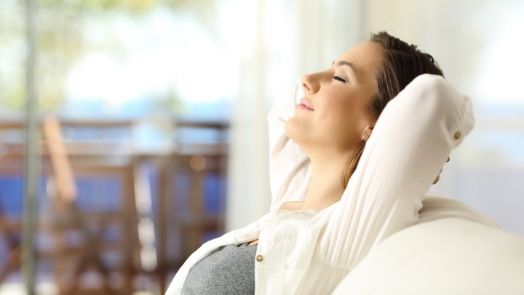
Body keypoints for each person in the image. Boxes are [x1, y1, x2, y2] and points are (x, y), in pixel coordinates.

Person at [165, 32, 495, 295]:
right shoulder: (289, 203)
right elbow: (285, 105)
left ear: (381, 126)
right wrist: (338, 77)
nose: (308, 79)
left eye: (339, 78)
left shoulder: (349, 233)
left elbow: (433, 97)